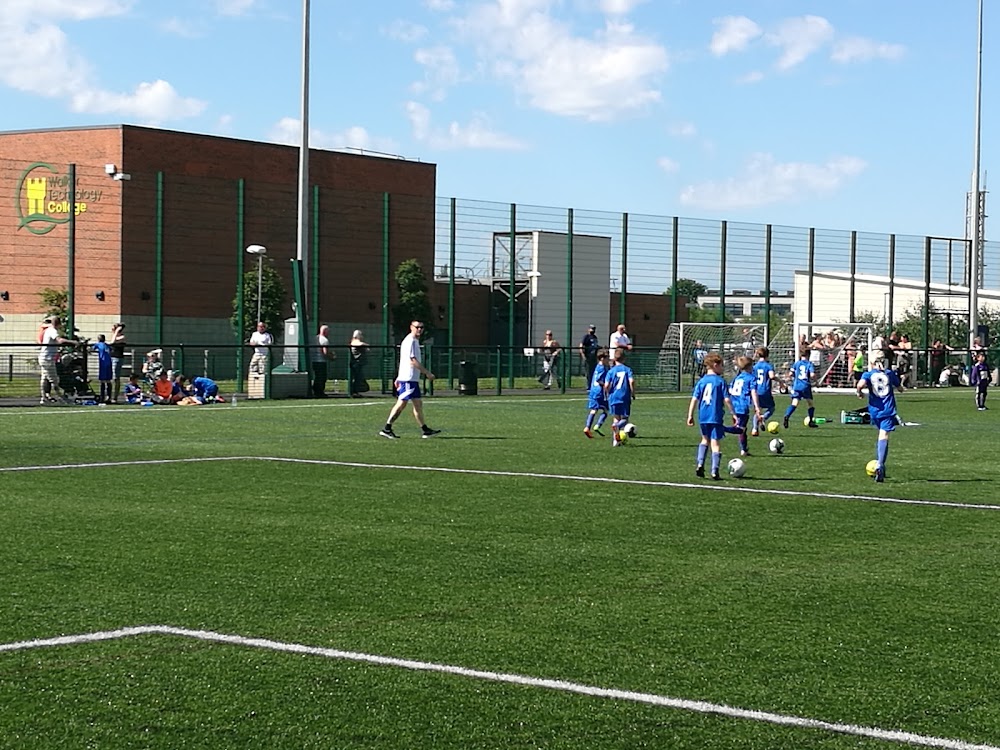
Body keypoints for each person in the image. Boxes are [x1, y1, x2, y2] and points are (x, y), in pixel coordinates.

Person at [379, 321, 440, 439]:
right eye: (417, 327)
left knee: (418, 404)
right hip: (408, 378)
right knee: (402, 403)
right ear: (411, 327)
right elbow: (412, 360)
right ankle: (387, 428)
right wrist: (427, 373)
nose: (419, 329)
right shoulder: (410, 341)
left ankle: (425, 430)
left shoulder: (414, 341)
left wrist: (399, 377)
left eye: (421, 327)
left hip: (411, 378)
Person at [687, 352, 735, 480]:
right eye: (722, 366)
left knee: (704, 440)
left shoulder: (701, 381)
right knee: (715, 443)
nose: (723, 368)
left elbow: (694, 399)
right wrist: (733, 413)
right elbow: (727, 399)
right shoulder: (720, 381)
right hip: (715, 416)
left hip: (703, 416)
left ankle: (700, 464)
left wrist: (690, 415)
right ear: (715, 365)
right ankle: (714, 471)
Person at [856, 357, 904, 483]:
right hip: (887, 410)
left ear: (871, 363)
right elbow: (900, 388)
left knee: (881, 434)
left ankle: (879, 464)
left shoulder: (867, 374)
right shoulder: (889, 374)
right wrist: (900, 388)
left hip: (874, 410)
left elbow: (860, 385)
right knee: (884, 435)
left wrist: (859, 392)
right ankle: (880, 465)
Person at [37, 316, 77, 404]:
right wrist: (73, 342)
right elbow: (60, 340)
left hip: (43, 357)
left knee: (44, 378)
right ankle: (61, 398)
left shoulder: (48, 330)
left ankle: (44, 398)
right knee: (55, 380)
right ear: (59, 324)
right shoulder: (53, 331)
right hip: (48, 359)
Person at [728, 356, 761, 456]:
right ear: (750, 366)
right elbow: (753, 392)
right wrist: (757, 407)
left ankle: (744, 450)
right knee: (741, 429)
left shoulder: (737, 378)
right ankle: (721, 428)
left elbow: (730, 390)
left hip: (733, 406)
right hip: (742, 407)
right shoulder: (751, 378)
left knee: (742, 429)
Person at [604, 348, 635, 447]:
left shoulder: (611, 371)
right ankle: (617, 427)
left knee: (616, 417)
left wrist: (607, 393)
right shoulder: (627, 369)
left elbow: (606, 385)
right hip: (624, 396)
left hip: (613, 397)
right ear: (624, 359)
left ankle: (616, 441)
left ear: (614, 359)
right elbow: (631, 381)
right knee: (625, 418)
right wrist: (633, 393)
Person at [783, 348, 817, 428]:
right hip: (805, 386)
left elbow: (790, 374)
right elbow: (812, 375)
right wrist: (816, 381)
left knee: (794, 403)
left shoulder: (797, 363)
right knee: (810, 403)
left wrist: (791, 378)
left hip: (796, 386)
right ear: (809, 355)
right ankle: (811, 421)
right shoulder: (809, 364)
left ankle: (787, 415)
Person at [583, 349, 610, 438]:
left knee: (594, 410)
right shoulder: (602, 368)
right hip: (600, 393)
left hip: (593, 391)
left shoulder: (598, 366)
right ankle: (598, 425)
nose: (608, 360)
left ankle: (587, 427)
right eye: (607, 358)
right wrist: (606, 385)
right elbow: (599, 380)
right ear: (602, 358)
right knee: (606, 410)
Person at [750, 346, 776, 437]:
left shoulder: (754, 367)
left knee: (758, 410)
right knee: (771, 408)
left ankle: (754, 429)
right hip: (765, 391)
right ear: (767, 355)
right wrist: (780, 381)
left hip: (756, 391)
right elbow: (772, 376)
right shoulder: (768, 366)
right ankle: (763, 418)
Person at [310, 324, 334, 397]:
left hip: (314, 360)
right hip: (321, 361)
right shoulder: (325, 340)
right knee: (322, 377)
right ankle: (320, 392)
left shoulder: (314, 339)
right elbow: (325, 352)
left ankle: (315, 390)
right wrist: (331, 357)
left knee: (317, 376)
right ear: (325, 331)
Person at [91, 333, 113, 403]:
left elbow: (91, 349)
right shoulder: (107, 345)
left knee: (103, 381)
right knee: (108, 380)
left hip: (103, 363)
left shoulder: (98, 344)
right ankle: (109, 397)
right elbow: (111, 350)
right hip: (109, 363)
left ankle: (102, 397)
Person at [109, 322, 126, 403]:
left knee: (115, 378)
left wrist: (116, 331)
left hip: (117, 359)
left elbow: (112, 342)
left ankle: (115, 397)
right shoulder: (114, 336)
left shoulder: (122, 337)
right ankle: (109, 396)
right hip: (111, 358)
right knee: (110, 378)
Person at [349, 330, 369, 397]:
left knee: (358, 378)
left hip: (359, 363)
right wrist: (366, 345)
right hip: (356, 363)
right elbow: (359, 344)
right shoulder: (355, 341)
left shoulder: (356, 342)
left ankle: (355, 392)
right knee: (357, 378)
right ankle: (353, 392)